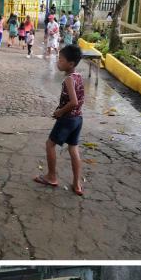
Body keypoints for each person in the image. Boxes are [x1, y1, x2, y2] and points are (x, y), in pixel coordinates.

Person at [33, 44, 85, 195]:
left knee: (50, 145)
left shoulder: (69, 79)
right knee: (73, 148)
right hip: (78, 119)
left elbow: (74, 101)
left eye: (61, 60)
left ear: (71, 64)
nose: (58, 61)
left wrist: (60, 112)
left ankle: (51, 176)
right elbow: (80, 101)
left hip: (67, 119)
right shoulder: (79, 77)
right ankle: (76, 184)